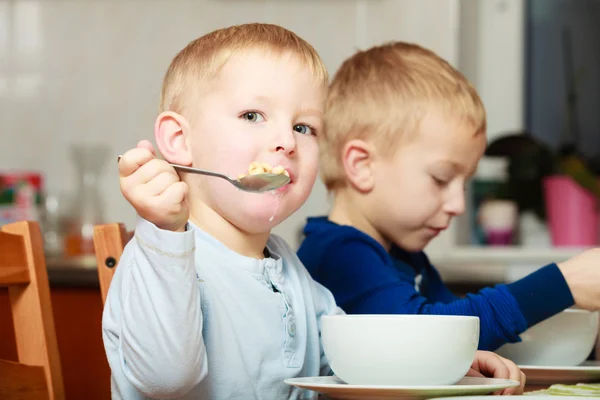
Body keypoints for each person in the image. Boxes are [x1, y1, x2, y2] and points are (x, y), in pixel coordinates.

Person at [105, 27, 525, 399]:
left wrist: (449, 366)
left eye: (304, 127)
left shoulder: (290, 270)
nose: (286, 141)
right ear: (179, 140)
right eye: (253, 115)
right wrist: (166, 233)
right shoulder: (156, 256)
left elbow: (348, 362)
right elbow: (166, 380)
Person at [297, 41, 600, 354]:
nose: (459, 206)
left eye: (464, 184)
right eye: (441, 179)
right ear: (362, 166)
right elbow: (430, 337)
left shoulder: (404, 257)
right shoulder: (341, 254)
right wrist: (564, 284)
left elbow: (467, 330)